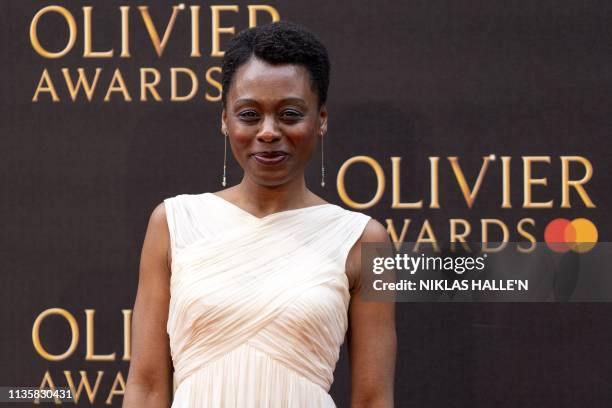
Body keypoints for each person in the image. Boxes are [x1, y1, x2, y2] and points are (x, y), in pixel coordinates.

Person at [123, 21, 396, 408]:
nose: (268, 132)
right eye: (249, 114)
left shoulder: (365, 240)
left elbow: (373, 399)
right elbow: (147, 387)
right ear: (224, 120)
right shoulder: (171, 223)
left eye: (289, 114)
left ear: (321, 119)